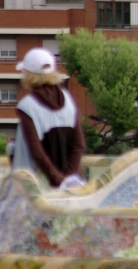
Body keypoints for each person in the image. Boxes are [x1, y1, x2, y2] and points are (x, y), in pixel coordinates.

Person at [12, 48, 85, 189]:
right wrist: (68, 179)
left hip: (36, 187)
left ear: (29, 75)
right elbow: (78, 144)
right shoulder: (69, 99)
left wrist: (59, 181)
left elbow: (37, 153)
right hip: (66, 188)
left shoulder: (27, 105)